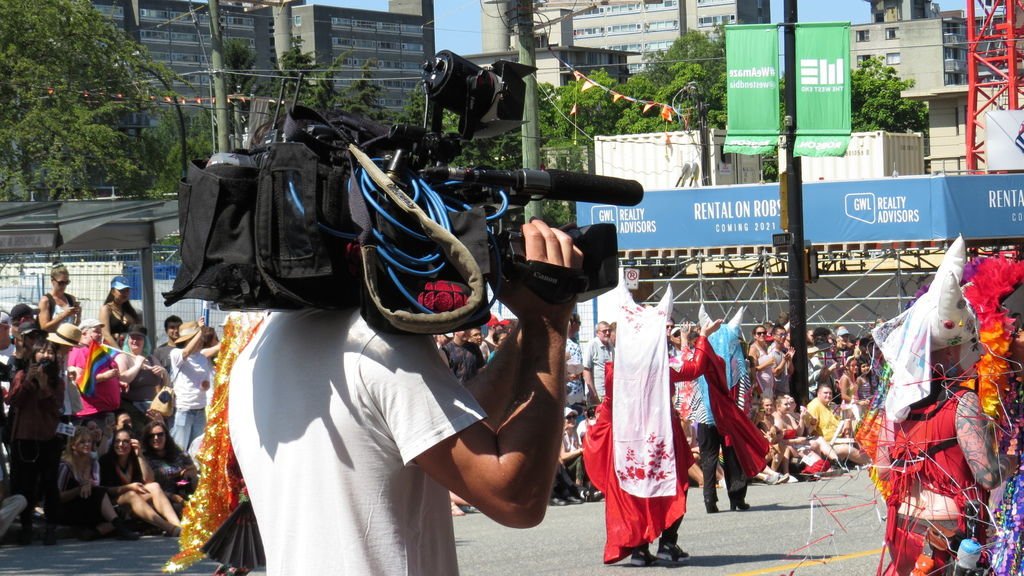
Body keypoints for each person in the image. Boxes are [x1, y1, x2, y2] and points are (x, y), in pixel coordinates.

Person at [228, 219, 582, 574]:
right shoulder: (380, 346)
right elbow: (516, 498)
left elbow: (444, 429)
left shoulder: (256, 351)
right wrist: (546, 324)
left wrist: (528, 325)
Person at [872, 237, 1015, 575]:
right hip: (951, 532)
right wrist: (1010, 462)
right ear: (951, 352)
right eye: (972, 346)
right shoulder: (961, 402)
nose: (978, 355)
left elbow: (881, 470)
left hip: (905, 524)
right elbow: (988, 475)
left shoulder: (897, 400)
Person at [6, 332, 79, 545]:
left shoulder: (58, 382)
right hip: (24, 438)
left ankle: (50, 528)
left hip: (48, 438)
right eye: (41, 351)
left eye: (49, 351)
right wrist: (29, 381)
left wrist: (44, 384)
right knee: (24, 484)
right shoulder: (22, 375)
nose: (46, 355)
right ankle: (26, 526)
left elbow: (54, 407)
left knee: (49, 483)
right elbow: (14, 401)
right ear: (34, 354)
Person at [56, 427, 139, 540]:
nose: (87, 444)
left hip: (86, 506)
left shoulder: (94, 463)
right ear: (73, 445)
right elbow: (58, 497)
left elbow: (95, 486)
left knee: (120, 512)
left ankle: (95, 533)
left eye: (89, 441)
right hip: (67, 508)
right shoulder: (65, 466)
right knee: (101, 495)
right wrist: (79, 489)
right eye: (82, 442)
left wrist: (88, 484)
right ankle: (119, 529)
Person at [99, 428, 181, 535]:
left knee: (154, 486)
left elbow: (149, 480)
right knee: (131, 494)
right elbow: (105, 490)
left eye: (126, 441)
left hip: (137, 498)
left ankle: (178, 525)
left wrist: (140, 455)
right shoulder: (105, 460)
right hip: (113, 503)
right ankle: (169, 528)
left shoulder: (135, 459)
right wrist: (129, 487)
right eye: (117, 441)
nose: (121, 444)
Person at [168, 319, 218, 451]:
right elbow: (186, 353)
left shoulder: (202, 357)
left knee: (197, 449)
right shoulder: (176, 354)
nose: (201, 340)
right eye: (197, 337)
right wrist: (200, 331)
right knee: (180, 448)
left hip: (200, 409)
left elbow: (204, 383)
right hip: (184, 409)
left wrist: (205, 385)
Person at [66, 319, 121, 423]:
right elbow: (80, 379)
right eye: (96, 331)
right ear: (84, 333)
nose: (100, 334)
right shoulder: (80, 351)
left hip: (104, 410)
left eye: (100, 332)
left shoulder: (97, 350)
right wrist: (105, 377)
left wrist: (118, 383)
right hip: (91, 412)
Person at [116, 324, 169, 416]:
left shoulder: (152, 359)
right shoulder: (122, 357)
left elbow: (167, 385)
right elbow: (122, 379)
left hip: (154, 407)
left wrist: (164, 373)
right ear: (127, 340)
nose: (135, 341)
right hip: (132, 408)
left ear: (145, 341)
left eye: (139, 338)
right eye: (132, 338)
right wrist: (137, 366)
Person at [140, 420, 197, 504]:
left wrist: (187, 472)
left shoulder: (178, 452)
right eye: (151, 436)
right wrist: (172, 496)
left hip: (182, 489)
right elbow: (148, 484)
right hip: (162, 497)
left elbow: (193, 469)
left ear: (166, 436)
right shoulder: (144, 458)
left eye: (160, 434)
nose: (156, 438)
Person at [98, 276, 139, 348]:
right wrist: (119, 351)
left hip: (129, 350)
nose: (125, 293)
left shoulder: (130, 311)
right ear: (113, 291)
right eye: (121, 290)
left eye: (127, 290)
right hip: (113, 351)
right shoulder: (106, 309)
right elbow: (106, 334)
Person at [37, 264, 80, 333]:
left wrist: (78, 315)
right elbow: (44, 327)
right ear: (52, 281)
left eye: (67, 282)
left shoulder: (71, 299)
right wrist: (63, 315)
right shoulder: (46, 300)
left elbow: (75, 325)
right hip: (52, 341)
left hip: (67, 340)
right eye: (61, 283)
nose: (64, 286)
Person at [583, 321, 614, 403]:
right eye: (604, 331)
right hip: (597, 394)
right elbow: (586, 370)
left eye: (609, 330)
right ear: (597, 333)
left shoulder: (610, 345)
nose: (607, 333)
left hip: (609, 394)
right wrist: (594, 395)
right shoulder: (592, 344)